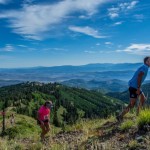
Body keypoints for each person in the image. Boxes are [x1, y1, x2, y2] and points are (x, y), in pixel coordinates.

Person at [117, 56, 150, 121]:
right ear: (146, 62)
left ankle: (138, 115)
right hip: (134, 87)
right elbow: (139, 76)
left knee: (143, 99)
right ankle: (120, 116)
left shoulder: (144, 67)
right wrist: (138, 88)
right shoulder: (145, 67)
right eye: (149, 61)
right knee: (132, 104)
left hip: (135, 86)